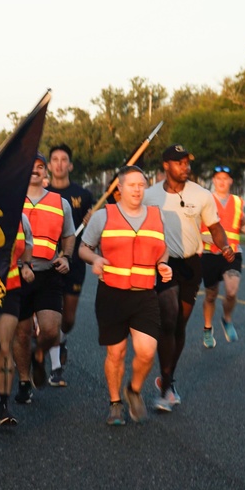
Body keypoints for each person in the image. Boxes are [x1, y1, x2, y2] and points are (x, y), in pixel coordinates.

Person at [143, 144, 234, 412]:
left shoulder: (202, 194)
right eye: (180, 163)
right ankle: (167, 387)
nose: (186, 167)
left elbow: (215, 227)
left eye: (187, 163)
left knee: (180, 325)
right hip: (163, 264)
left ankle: (167, 378)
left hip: (192, 264)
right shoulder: (149, 196)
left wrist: (224, 245)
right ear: (166, 166)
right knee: (168, 319)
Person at [80, 166, 172, 425]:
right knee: (116, 353)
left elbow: (162, 250)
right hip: (111, 295)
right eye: (131, 185)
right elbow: (83, 249)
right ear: (119, 188)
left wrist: (163, 264)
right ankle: (115, 403)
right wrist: (96, 258)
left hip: (144, 295)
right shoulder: (102, 217)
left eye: (142, 185)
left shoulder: (157, 216)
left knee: (146, 351)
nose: (137, 190)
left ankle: (133, 389)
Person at [15, 154, 75, 403]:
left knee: (50, 330)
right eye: (31, 166)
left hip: (48, 273)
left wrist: (67, 256)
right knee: (22, 332)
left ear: (45, 172)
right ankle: (24, 381)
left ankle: (39, 355)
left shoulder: (61, 203)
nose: (36, 171)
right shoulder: (11, 202)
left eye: (40, 167)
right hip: (17, 274)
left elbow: (69, 235)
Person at [47, 144, 94, 372]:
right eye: (54, 159)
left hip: (74, 262)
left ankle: (61, 338)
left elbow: (92, 232)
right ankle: (55, 366)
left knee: (68, 319)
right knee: (52, 315)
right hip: (47, 263)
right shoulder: (41, 194)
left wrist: (92, 218)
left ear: (70, 165)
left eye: (63, 159)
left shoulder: (83, 195)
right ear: (49, 165)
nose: (59, 163)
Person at [200, 165, 245, 347]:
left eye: (226, 178)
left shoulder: (238, 201)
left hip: (233, 253)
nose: (222, 182)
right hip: (210, 253)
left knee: (231, 291)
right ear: (213, 181)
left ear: (231, 181)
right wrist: (213, 241)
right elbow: (199, 229)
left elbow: (244, 221)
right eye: (218, 178)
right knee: (211, 294)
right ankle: (207, 329)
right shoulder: (206, 200)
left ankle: (227, 319)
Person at [0, 215, 34, 426]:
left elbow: (28, 242)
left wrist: (26, 265)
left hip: (9, 289)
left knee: (3, 345)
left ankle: (3, 406)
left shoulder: (20, 216)